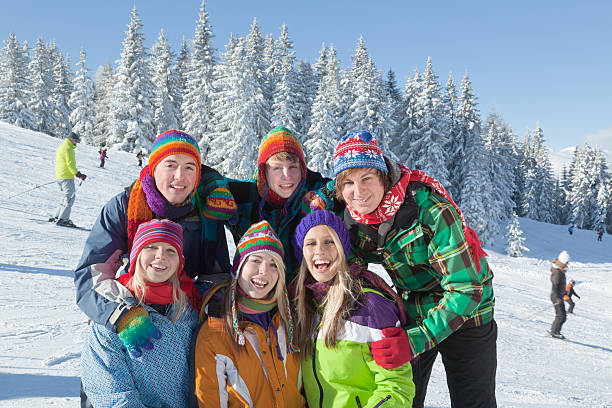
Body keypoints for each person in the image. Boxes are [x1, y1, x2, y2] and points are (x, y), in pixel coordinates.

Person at [329, 130, 496, 408]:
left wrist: (416, 341)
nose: (358, 192)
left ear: (383, 176)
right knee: (403, 398)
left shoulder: (427, 208)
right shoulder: (351, 219)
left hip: (468, 313)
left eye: (367, 178)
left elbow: (467, 288)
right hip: (414, 310)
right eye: (348, 182)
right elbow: (349, 269)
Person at [74, 129, 236, 352]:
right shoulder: (124, 207)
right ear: (153, 168)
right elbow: (91, 273)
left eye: (189, 167)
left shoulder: (206, 213)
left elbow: (216, 276)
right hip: (134, 305)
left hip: (183, 316)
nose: (180, 176)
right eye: (170, 165)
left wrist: (207, 320)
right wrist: (120, 314)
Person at [292, 210, 415, 407]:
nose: (320, 251)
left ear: (342, 248)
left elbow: (396, 387)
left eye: (329, 242)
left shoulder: (370, 305)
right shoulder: (303, 305)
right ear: (302, 253)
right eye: (311, 243)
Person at [81, 219, 201, 407]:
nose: (161, 256)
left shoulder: (188, 312)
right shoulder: (112, 316)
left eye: (171, 251)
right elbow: (111, 394)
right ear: (136, 255)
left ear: (179, 262)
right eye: (151, 247)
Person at [193, 221, 305, 407]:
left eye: (273, 264)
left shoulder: (290, 321)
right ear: (239, 267)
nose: (264, 271)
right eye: (256, 260)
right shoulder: (215, 332)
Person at [227, 126, 330, 281]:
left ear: (302, 169)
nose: (287, 176)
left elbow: (347, 183)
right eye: (277, 168)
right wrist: (213, 186)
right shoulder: (243, 197)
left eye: (293, 167)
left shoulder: (312, 192)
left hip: (305, 293)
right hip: (257, 291)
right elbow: (196, 177)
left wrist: (327, 194)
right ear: (264, 172)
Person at [52, 131, 87, 227]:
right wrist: (78, 174)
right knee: (70, 198)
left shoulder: (62, 147)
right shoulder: (69, 149)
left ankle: (57, 216)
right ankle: (63, 219)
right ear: (71, 140)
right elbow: (70, 164)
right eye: (75, 140)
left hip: (60, 176)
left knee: (65, 197)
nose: (76, 143)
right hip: (67, 176)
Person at [550, 250, 570, 338]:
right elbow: (555, 285)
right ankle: (554, 332)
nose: (568, 263)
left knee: (562, 315)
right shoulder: (558, 272)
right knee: (561, 315)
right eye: (567, 261)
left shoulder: (560, 270)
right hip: (556, 296)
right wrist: (557, 297)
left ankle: (555, 331)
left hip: (558, 296)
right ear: (563, 261)